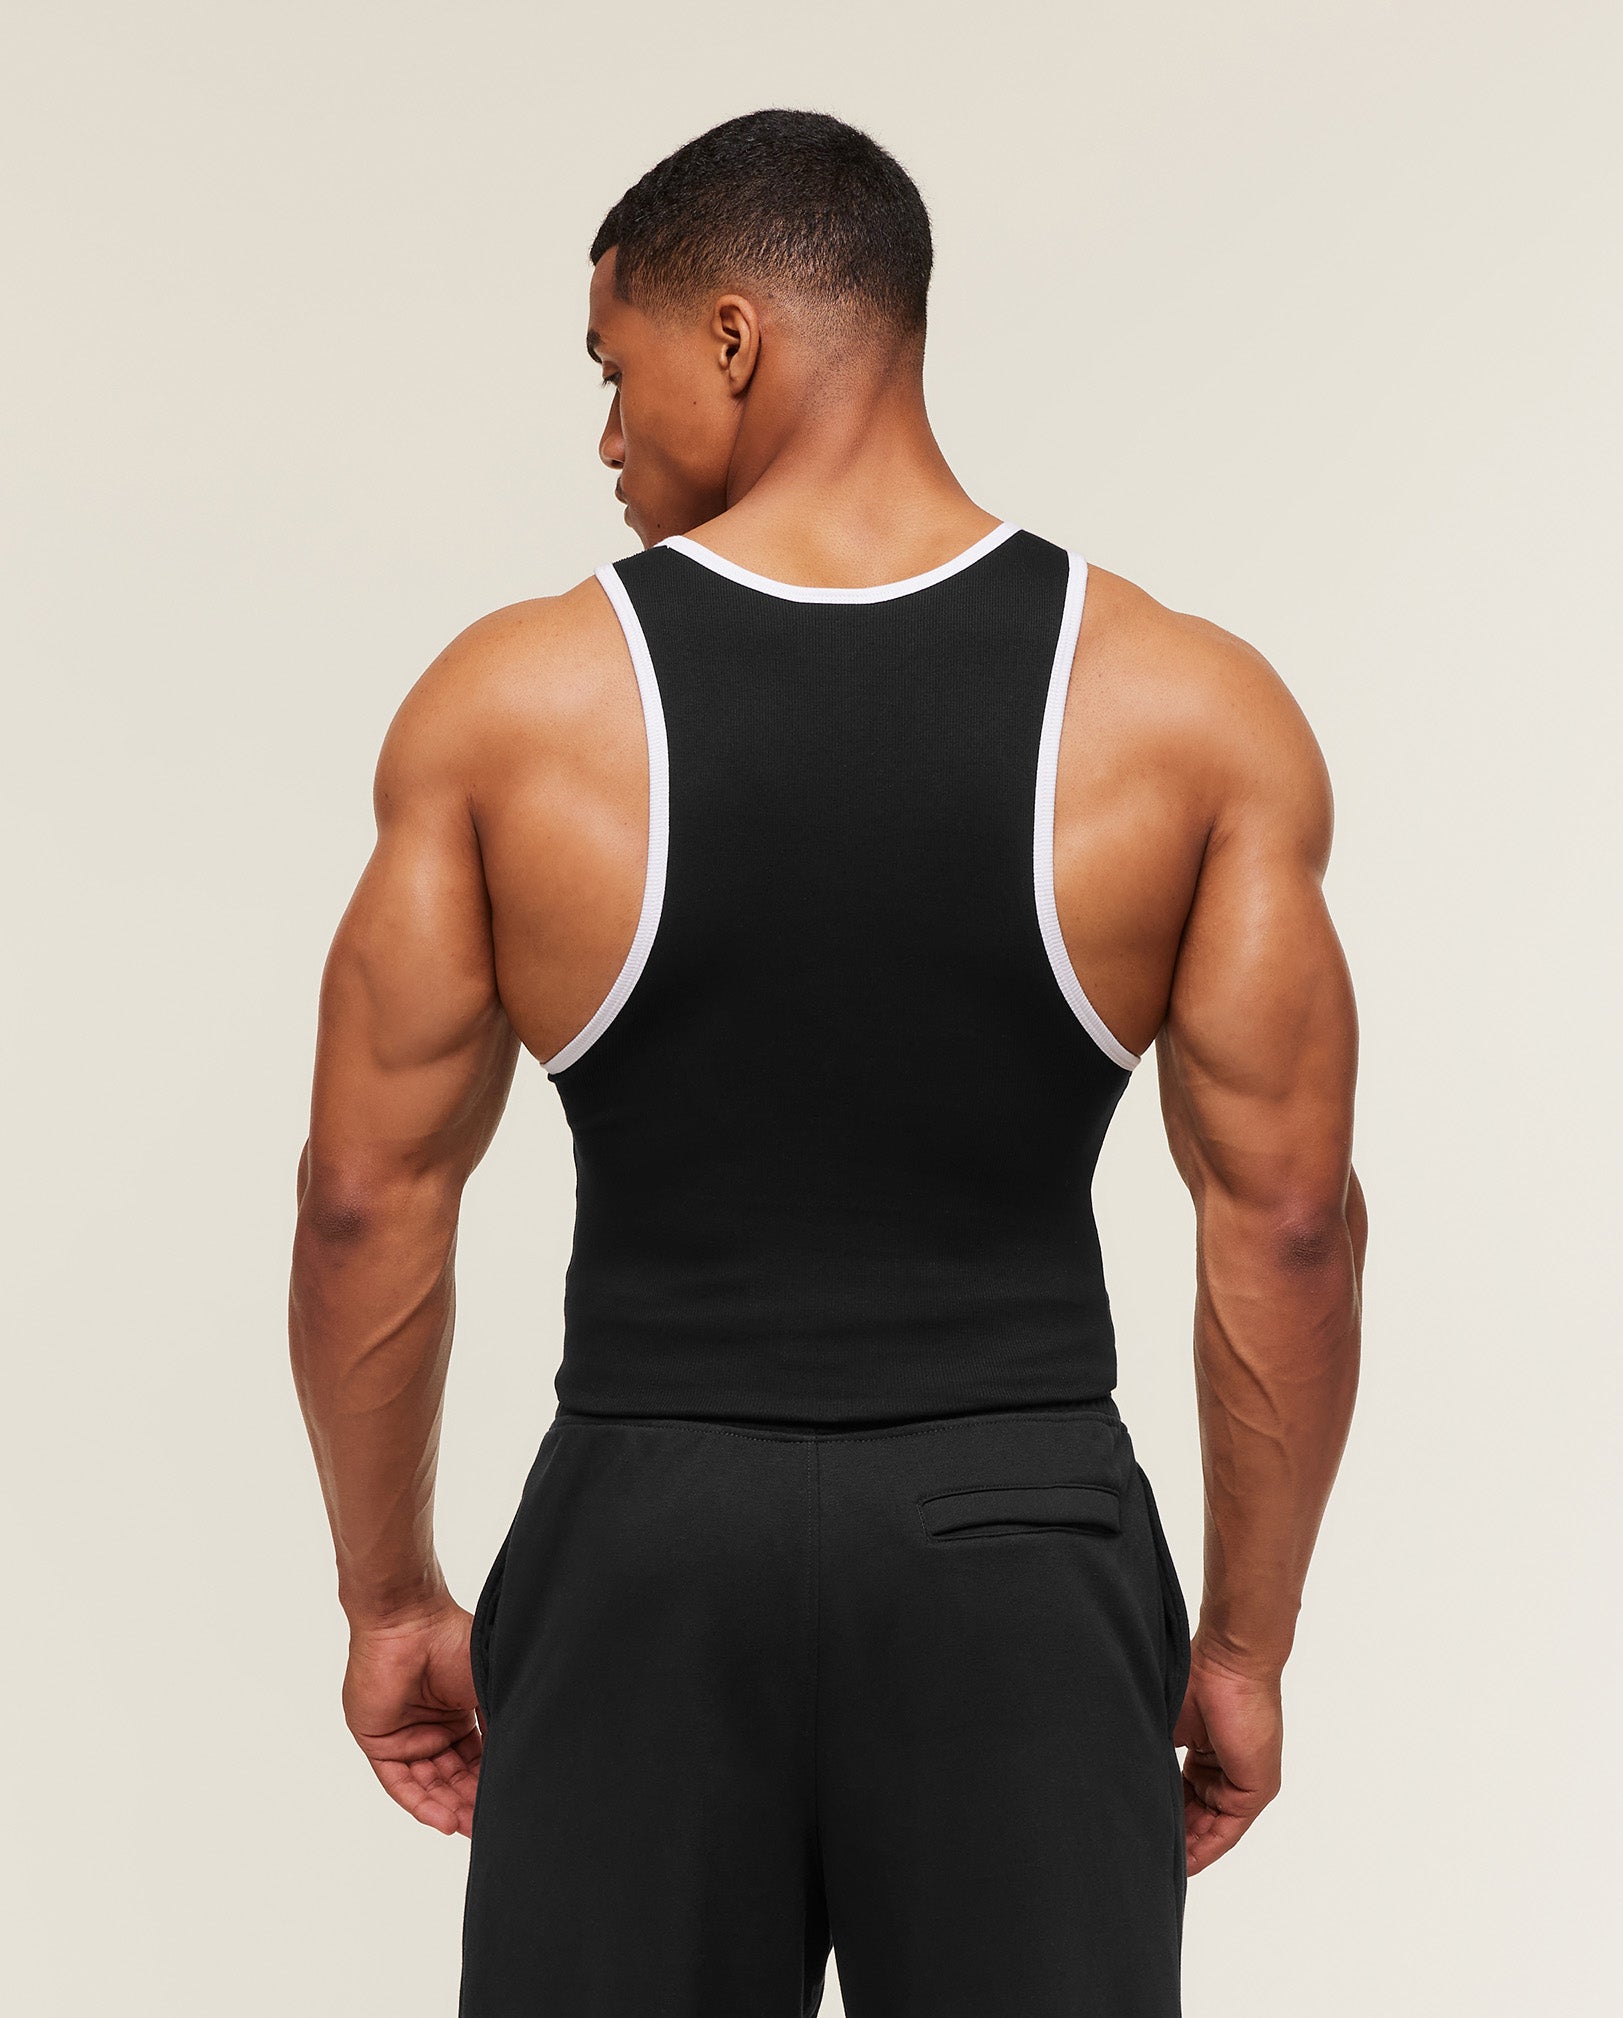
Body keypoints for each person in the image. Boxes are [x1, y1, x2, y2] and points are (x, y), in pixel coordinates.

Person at [289, 108, 1365, 2018]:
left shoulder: (511, 708)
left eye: (613, 370)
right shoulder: (1186, 711)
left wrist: (390, 1600)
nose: (606, 439)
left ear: (732, 339)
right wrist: (1244, 1647)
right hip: (1023, 1548)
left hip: (643, 1544)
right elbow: (1287, 1222)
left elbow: (370, 1197)